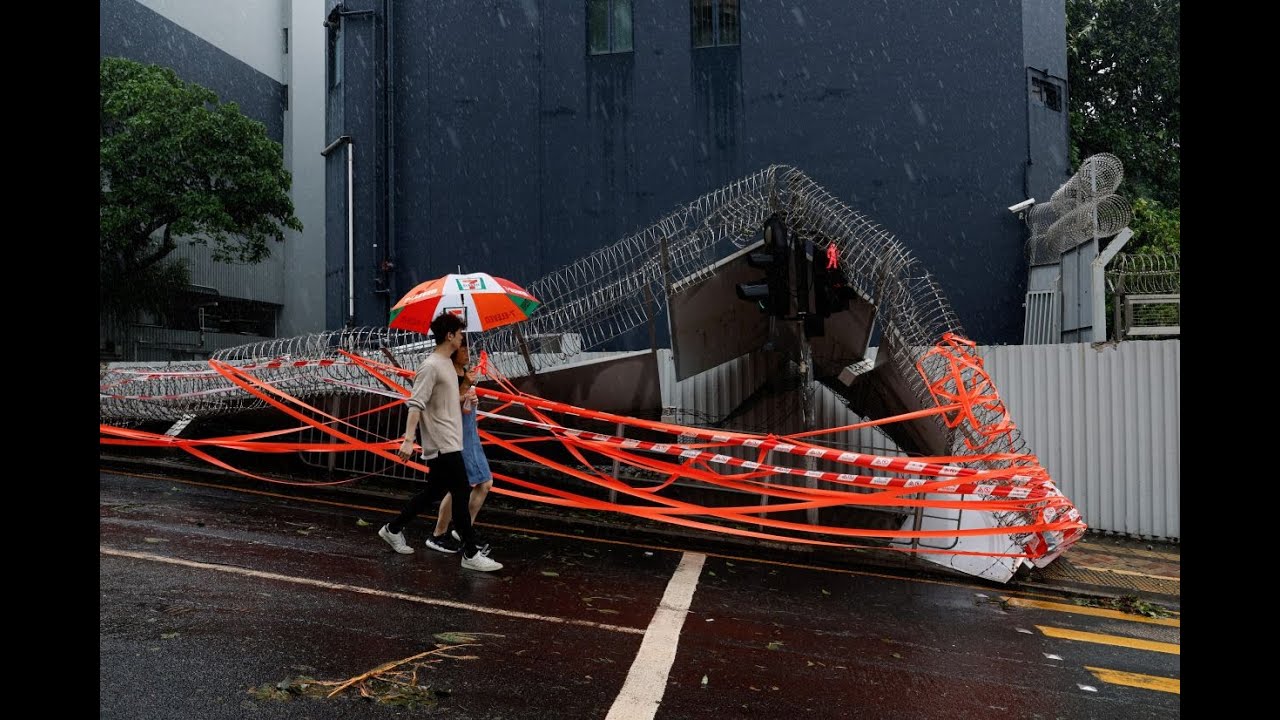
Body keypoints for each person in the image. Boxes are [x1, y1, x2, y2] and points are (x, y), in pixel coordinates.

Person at [379, 312, 503, 572]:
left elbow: (446, 402)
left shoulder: (447, 364)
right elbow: (415, 403)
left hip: (451, 440)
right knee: (461, 492)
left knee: (433, 492)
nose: (462, 339)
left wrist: (466, 393)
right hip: (441, 442)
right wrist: (408, 439)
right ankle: (470, 553)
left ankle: (393, 529)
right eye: (459, 334)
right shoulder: (431, 366)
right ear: (450, 336)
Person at [425, 339, 494, 553]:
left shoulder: (463, 375)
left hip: (470, 436)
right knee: (459, 488)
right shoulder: (446, 376)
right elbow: (442, 405)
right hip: (456, 438)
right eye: (463, 350)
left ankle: (463, 529)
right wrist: (465, 393)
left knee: (484, 483)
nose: (468, 354)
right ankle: (439, 533)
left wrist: (469, 395)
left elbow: (463, 408)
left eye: (467, 349)